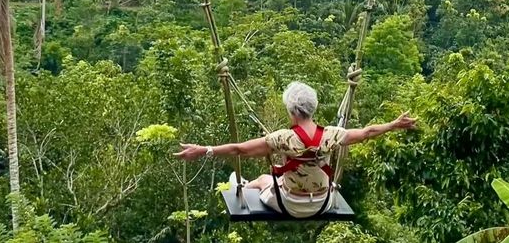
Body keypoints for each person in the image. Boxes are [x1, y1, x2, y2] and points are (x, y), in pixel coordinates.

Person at [175, 81, 416, 219]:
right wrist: (394, 125)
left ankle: (240, 187)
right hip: (324, 202)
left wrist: (203, 149)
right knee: (274, 179)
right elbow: (367, 132)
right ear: (313, 108)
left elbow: (240, 149)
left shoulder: (282, 139)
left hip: (291, 204)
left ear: (291, 111)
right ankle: (243, 186)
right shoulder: (332, 135)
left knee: (262, 179)